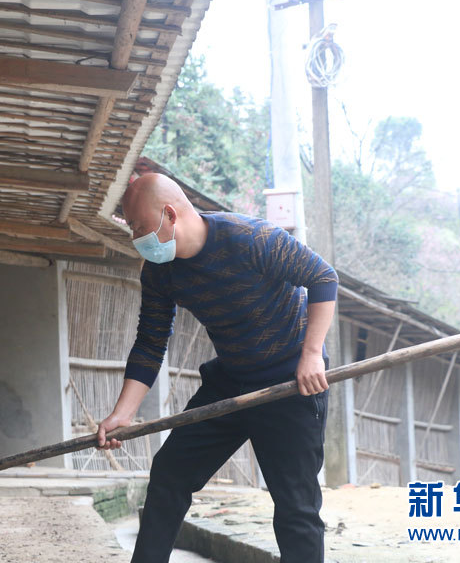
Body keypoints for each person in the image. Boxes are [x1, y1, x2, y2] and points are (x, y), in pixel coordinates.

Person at [96, 173, 338, 563]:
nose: (137, 238)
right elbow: (150, 341)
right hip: (231, 380)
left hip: (290, 383)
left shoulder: (249, 239)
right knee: (170, 473)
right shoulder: (160, 271)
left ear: (170, 214)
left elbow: (323, 277)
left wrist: (311, 355)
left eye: (140, 227)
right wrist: (122, 414)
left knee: (296, 507)